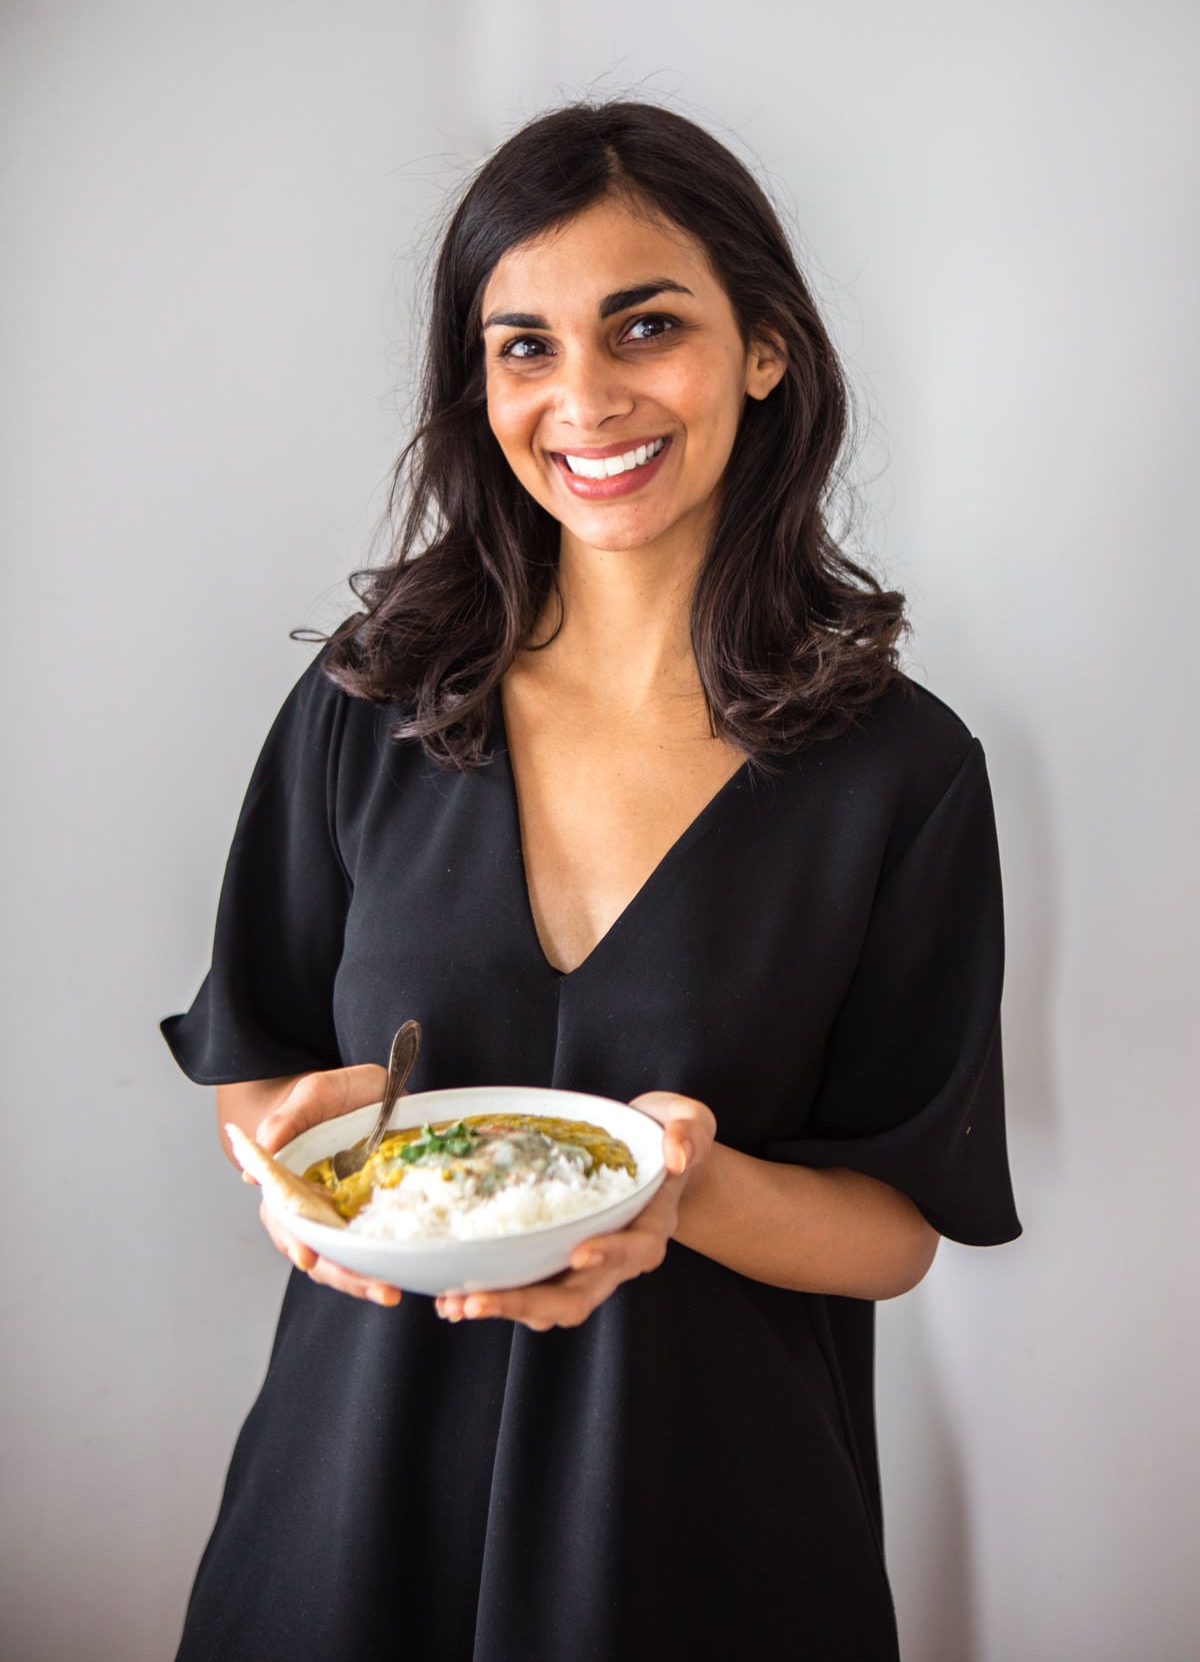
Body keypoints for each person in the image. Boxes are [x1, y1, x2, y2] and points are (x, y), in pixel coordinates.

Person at [163, 100, 1020, 1661]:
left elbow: (898, 1230)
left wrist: (680, 1190)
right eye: (525, 347)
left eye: (647, 325)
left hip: (704, 1528)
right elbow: (257, 1073)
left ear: (766, 348)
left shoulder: (901, 772)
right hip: (348, 1507)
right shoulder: (367, 709)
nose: (585, 397)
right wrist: (294, 1158)